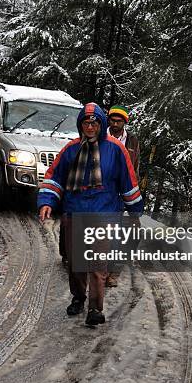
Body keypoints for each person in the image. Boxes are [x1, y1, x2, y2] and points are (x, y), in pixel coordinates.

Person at [38, 103, 143, 327]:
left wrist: (134, 210)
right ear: (80, 125)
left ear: (101, 124)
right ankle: (78, 296)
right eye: (86, 122)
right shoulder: (71, 149)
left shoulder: (115, 150)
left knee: (98, 265)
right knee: (76, 263)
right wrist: (47, 201)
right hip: (75, 211)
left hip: (104, 212)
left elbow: (128, 181)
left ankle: (95, 308)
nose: (90, 127)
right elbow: (54, 177)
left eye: (95, 122)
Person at [106, 104, 141, 287]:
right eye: (113, 119)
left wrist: (135, 193)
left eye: (119, 120)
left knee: (128, 231)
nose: (116, 123)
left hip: (124, 192)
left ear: (125, 122)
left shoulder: (133, 141)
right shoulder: (100, 137)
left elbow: (135, 168)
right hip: (103, 191)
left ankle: (114, 270)